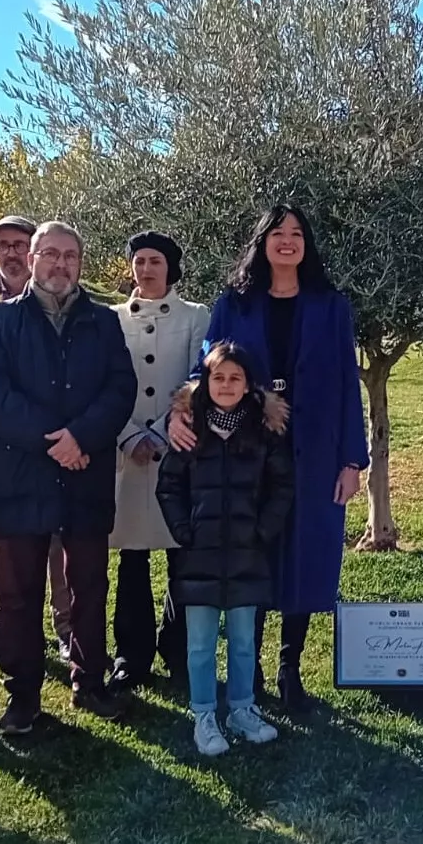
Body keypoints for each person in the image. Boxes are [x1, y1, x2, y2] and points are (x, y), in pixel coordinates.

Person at [167, 204, 368, 711]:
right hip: (247, 447)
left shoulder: (331, 304)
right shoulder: (234, 302)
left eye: (297, 233)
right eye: (277, 232)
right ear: (262, 242)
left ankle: (290, 669)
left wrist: (352, 460)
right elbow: (208, 368)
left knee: (304, 556)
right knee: (251, 552)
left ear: (307, 245)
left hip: (316, 449)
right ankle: (248, 670)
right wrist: (181, 412)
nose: (287, 241)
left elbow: (347, 381)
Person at [0, 220, 138, 734]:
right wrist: (54, 440)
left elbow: (119, 388)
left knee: (88, 586)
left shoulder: (103, 322)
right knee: (16, 594)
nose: (60, 264)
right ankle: (21, 696)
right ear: (33, 257)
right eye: (51, 254)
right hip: (23, 476)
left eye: (70, 256)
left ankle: (88, 682)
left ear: (79, 263)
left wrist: (80, 439)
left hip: (85, 475)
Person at [157, 343, 295, 755]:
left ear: (248, 383)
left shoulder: (263, 432)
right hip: (198, 554)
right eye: (218, 377)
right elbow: (169, 486)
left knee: (243, 641)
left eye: (235, 377)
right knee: (199, 643)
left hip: (247, 553)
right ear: (205, 380)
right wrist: (184, 530)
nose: (226, 385)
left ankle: (242, 709)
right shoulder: (189, 428)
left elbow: (282, 487)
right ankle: (204, 714)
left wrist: (264, 530)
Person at [0, 214, 73, 671]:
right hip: (1, 446)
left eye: (19, 243)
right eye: (3, 246)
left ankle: (66, 629)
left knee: (59, 540)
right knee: (5, 548)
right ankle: (5, 633)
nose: (11, 252)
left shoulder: (62, 299)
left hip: (58, 443)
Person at [110, 231, 210, 686]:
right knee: (132, 558)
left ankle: (180, 651)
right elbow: (104, 384)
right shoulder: (110, 319)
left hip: (178, 451)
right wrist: (130, 435)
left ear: (170, 267)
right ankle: (131, 655)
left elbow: (198, 381)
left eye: (155, 261)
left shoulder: (195, 317)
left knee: (181, 556)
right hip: (129, 454)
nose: (146, 269)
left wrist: (167, 431)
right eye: (139, 261)